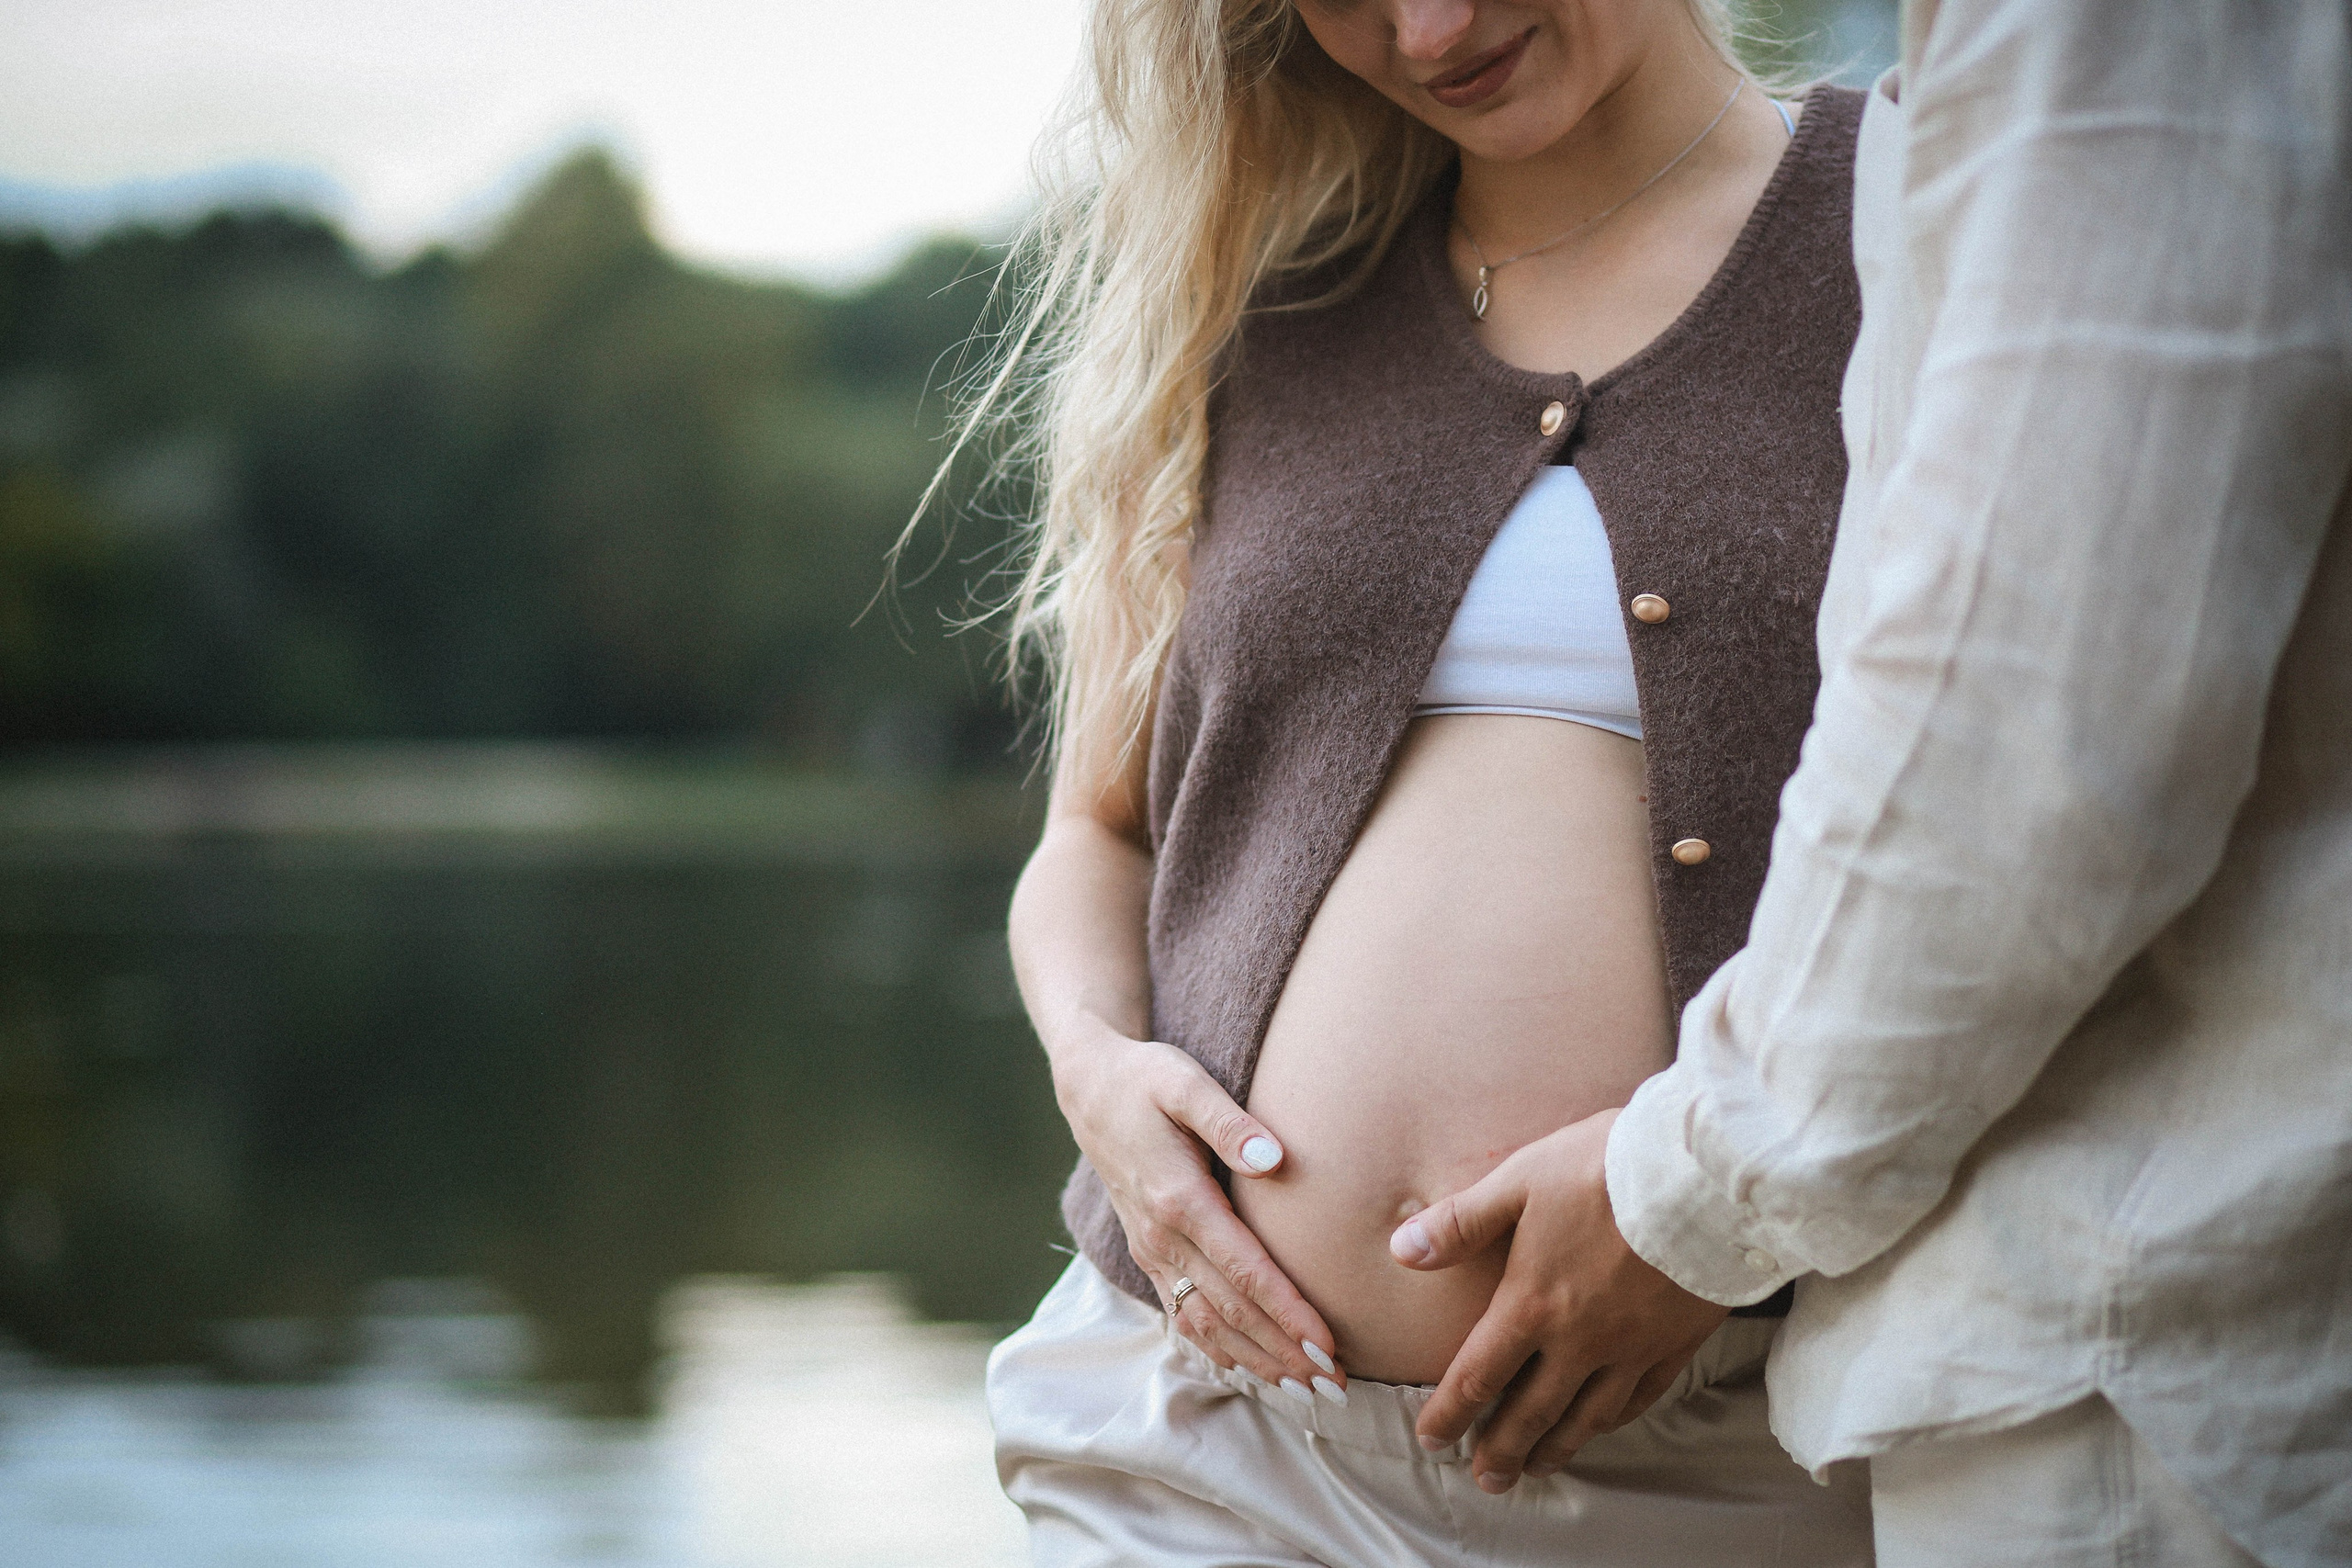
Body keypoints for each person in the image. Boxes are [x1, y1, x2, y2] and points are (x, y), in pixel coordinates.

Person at [1380, 3, 2352, 1565]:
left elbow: (2041, 697)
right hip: (2081, 1342)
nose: (1427, 27)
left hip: (2139, 1356)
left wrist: (1691, 1199)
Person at [957, 1, 1877, 1561]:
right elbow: (1097, 833)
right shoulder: (1259, 301)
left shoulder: (1926, 231)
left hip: (1727, 1467)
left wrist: (1702, 1183)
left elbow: (2039, 846)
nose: (1429, 26)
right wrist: (1099, 1079)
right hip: (1197, 1444)